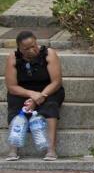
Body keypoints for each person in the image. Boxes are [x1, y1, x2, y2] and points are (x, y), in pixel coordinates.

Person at [4, 31, 65, 161]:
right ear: (20, 49)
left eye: (34, 45)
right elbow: (12, 86)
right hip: (23, 91)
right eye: (27, 49)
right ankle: (13, 148)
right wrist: (32, 95)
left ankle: (51, 149)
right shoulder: (13, 58)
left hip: (48, 90)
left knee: (50, 106)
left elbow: (56, 82)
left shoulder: (49, 54)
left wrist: (39, 97)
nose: (32, 50)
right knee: (15, 104)